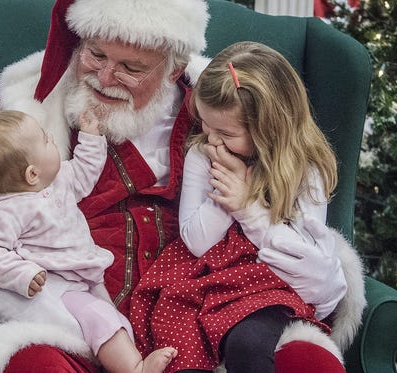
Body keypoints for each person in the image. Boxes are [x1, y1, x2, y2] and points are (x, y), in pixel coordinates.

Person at [0, 1, 363, 372]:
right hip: (71, 327)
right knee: (34, 366)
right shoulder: (25, 115)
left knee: (307, 362)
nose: (104, 78)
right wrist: (25, 282)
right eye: (96, 54)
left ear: (172, 66)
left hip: (207, 319)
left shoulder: (224, 113)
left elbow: (294, 194)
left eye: (131, 67)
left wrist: (321, 274)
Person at [131, 41, 343, 373]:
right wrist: (224, 197)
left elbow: (302, 252)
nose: (212, 139)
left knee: (249, 343)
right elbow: (196, 242)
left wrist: (247, 206)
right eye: (204, 124)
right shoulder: (203, 153)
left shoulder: (305, 170)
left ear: (269, 130)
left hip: (266, 280)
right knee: (177, 347)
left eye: (226, 133)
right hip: (199, 276)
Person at [0, 109, 178, 373]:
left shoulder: (57, 181)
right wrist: (21, 273)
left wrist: (91, 136)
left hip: (74, 278)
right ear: (32, 174)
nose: (53, 138)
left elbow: (84, 173)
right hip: (49, 286)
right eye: (46, 140)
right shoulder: (1, 210)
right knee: (101, 318)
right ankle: (135, 368)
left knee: (103, 317)